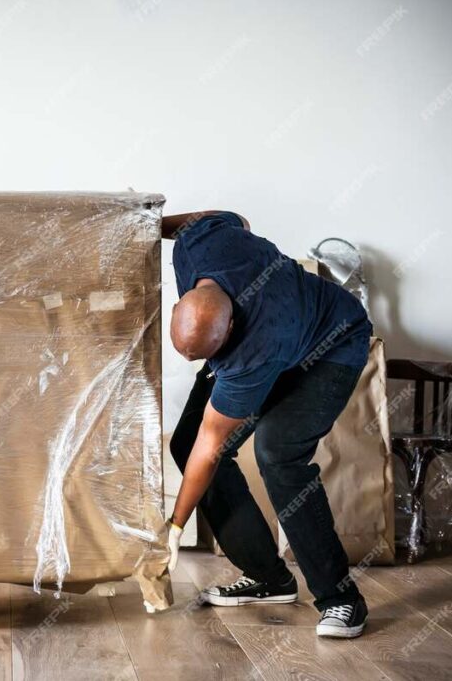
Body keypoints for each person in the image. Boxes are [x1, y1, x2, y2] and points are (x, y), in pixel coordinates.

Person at [160, 210, 373, 639]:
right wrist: (146, 221)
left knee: (279, 455)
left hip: (332, 344)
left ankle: (341, 600)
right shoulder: (194, 245)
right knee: (184, 442)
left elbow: (212, 443)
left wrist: (174, 526)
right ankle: (268, 578)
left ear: (231, 325)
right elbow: (233, 218)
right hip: (279, 331)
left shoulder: (258, 344)